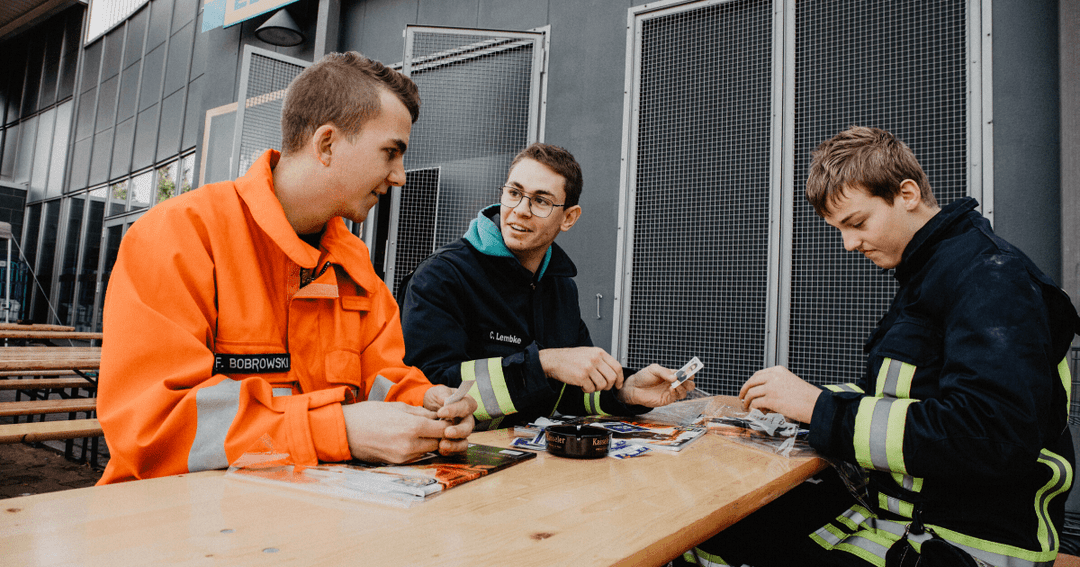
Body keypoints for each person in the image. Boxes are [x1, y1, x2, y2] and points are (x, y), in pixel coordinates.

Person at [685, 126, 1078, 567]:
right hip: (905, 518)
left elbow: (990, 435)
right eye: (839, 230)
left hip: (965, 543)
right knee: (710, 539)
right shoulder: (935, 272)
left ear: (906, 193)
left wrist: (819, 408)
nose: (849, 244)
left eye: (856, 223)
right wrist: (799, 404)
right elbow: (906, 399)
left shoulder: (991, 278)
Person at [96, 52, 476, 485]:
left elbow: (380, 379)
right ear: (327, 144)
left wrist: (425, 404)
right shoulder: (178, 236)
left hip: (301, 518)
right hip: (170, 527)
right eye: (391, 152)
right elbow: (151, 428)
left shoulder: (353, 265)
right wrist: (341, 430)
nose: (400, 176)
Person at [399, 143, 693, 430]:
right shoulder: (441, 276)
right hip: (460, 459)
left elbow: (570, 391)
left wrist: (625, 390)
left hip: (535, 467)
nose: (521, 210)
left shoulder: (561, 287)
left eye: (541, 200)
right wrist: (544, 363)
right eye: (514, 193)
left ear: (568, 218)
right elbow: (428, 390)